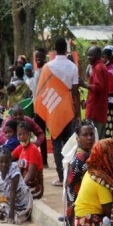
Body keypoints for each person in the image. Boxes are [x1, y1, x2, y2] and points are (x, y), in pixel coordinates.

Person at [36, 37, 81, 187]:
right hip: (68, 108)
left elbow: (41, 91)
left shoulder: (47, 67)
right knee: (71, 143)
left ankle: (61, 177)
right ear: (66, 49)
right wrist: (78, 114)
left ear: (55, 49)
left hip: (54, 108)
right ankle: (72, 176)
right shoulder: (73, 67)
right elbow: (75, 92)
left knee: (56, 142)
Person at [55, 121, 96, 226]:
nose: (89, 138)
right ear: (78, 138)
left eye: (91, 134)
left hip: (71, 210)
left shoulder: (79, 154)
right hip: (79, 212)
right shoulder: (84, 159)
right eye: (85, 135)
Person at [0, 147, 33, 224]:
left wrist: (11, 216)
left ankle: (11, 214)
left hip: (24, 206)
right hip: (11, 206)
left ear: (10, 161)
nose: (4, 164)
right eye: (1, 162)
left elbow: (12, 192)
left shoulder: (14, 168)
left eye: (7, 162)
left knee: (13, 219)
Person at [80, 46, 109, 138]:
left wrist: (83, 84)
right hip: (100, 111)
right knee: (99, 141)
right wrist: (87, 102)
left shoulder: (97, 68)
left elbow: (98, 87)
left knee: (93, 141)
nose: (88, 58)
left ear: (98, 56)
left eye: (91, 55)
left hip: (95, 112)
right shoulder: (102, 67)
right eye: (88, 55)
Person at [12, 122, 44, 199]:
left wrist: (19, 186)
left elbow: (31, 173)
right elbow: (7, 158)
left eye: (24, 133)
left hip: (34, 187)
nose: (22, 136)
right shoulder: (20, 148)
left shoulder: (33, 149)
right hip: (24, 183)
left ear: (29, 134)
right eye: (19, 134)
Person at [33, 47, 48, 167]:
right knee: (40, 132)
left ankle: (44, 160)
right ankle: (43, 160)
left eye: (40, 57)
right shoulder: (37, 70)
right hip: (36, 106)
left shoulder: (45, 70)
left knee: (42, 132)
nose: (38, 59)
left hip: (43, 107)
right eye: (36, 57)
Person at [102, 45, 113, 141]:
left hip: (109, 105)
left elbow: (112, 91)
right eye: (102, 57)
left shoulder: (109, 72)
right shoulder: (109, 69)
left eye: (106, 57)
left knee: (109, 128)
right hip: (107, 104)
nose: (103, 59)